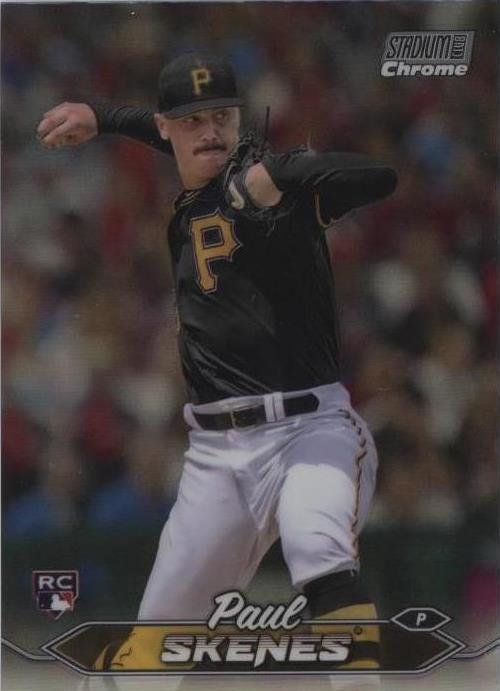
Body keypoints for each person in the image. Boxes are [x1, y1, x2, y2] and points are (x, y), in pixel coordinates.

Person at [37, 51, 397, 678]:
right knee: (150, 654)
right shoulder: (198, 181)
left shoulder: (277, 193)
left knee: (318, 548)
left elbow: (380, 177)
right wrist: (102, 115)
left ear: (239, 120)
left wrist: (284, 172)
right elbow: (171, 134)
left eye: (222, 118)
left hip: (310, 431)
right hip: (215, 458)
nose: (210, 131)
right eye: (193, 120)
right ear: (168, 128)